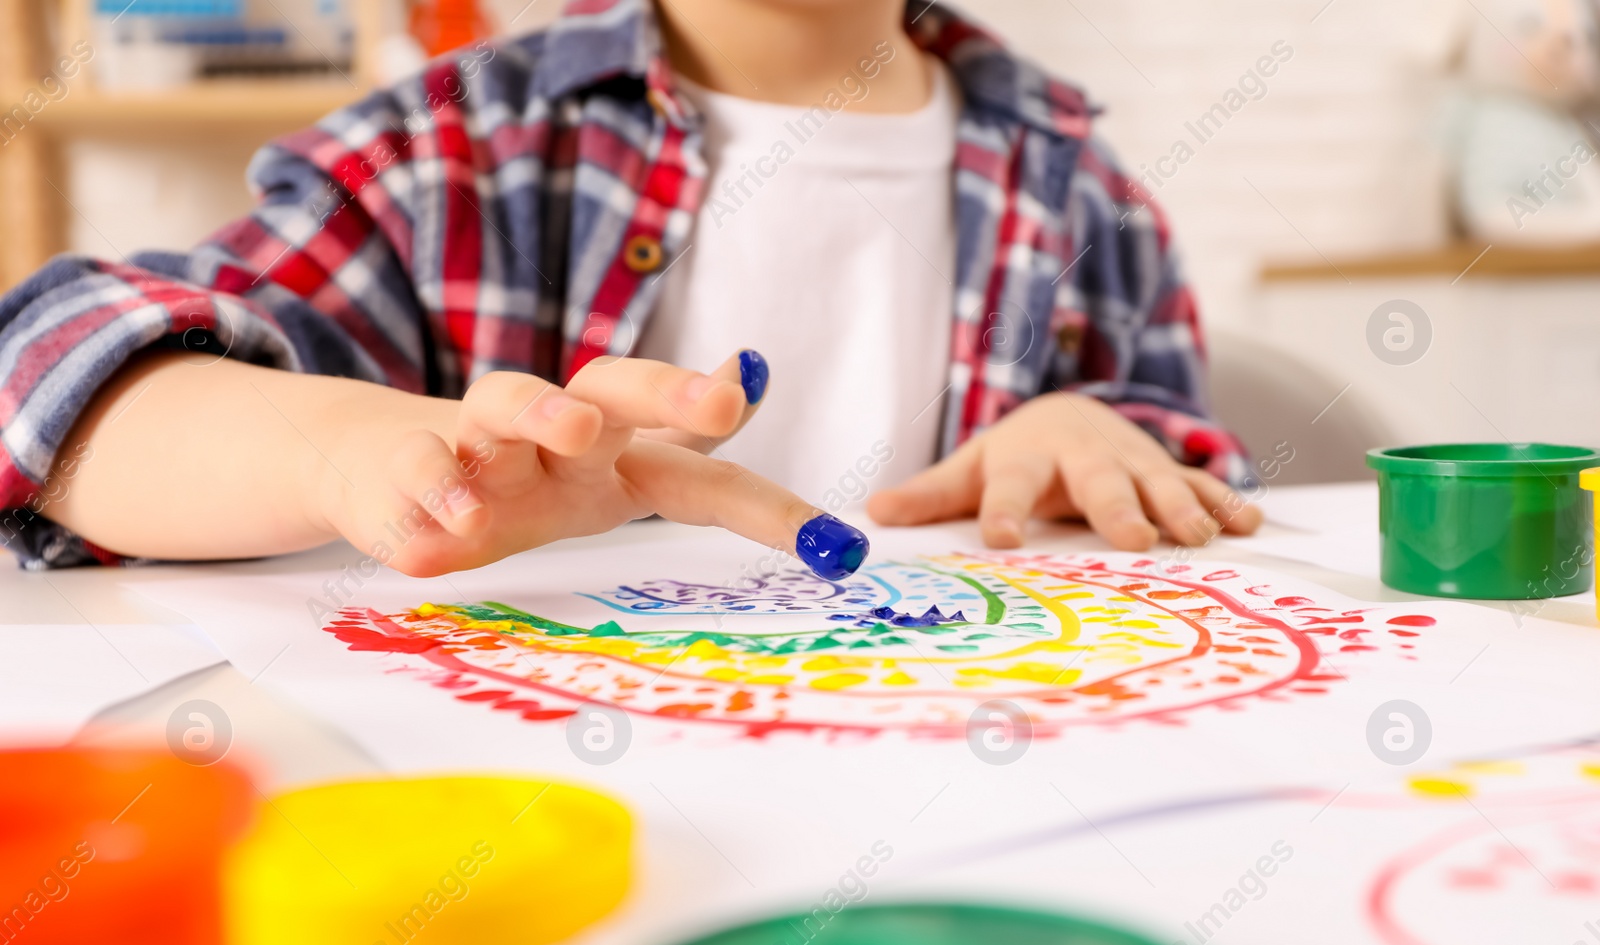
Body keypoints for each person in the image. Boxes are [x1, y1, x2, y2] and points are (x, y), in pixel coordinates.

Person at [0, 0, 1260, 578]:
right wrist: (346, 450)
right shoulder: (457, 145)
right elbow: (49, 374)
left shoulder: (1081, 184)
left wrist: (1102, 441)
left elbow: (1196, 490)